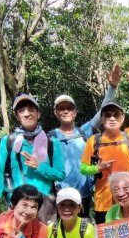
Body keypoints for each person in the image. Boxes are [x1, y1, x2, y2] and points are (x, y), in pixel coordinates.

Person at [80, 62, 129, 223]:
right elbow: (82, 168)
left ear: (122, 118)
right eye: (107, 115)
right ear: (102, 119)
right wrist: (96, 168)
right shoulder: (94, 140)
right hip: (103, 202)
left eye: (116, 114)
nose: (112, 118)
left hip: (127, 200)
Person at [50, 64, 121, 211]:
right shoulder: (50, 137)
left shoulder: (84, 132)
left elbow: (102, 111)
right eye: (61, 108)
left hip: (84, 194)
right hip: (61, 195)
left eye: (69, 108)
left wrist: (112, 88)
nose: (65, 111)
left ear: (75, 112)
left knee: (83, 231)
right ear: (56, 113)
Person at [0, 93, 65, 224]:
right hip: (17, 204)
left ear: (38, 113)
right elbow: (0, 171)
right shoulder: (9, 141)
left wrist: (40, 166)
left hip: (44, 205)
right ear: (17, 116)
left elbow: (60, 174)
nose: (27, 114)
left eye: (31, 110)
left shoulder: (52, 142)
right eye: (21, 111)